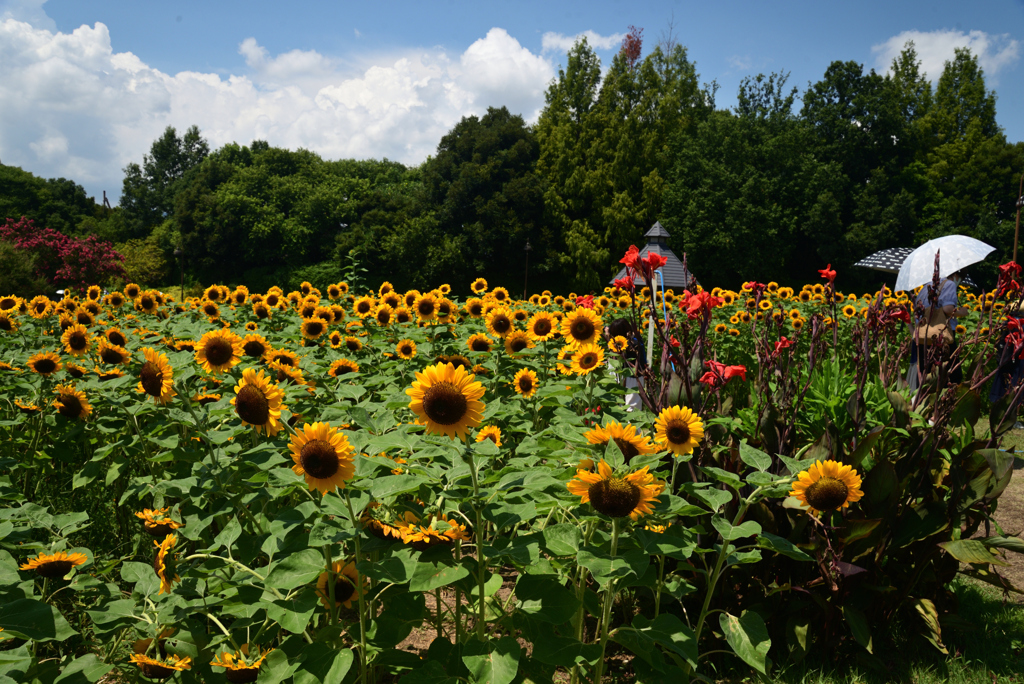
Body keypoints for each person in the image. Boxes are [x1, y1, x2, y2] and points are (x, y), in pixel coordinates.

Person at [908, 271, 970, 390]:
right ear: (955, 275)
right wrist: (962, 312)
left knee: (926, 377)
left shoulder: (925, 287)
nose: (959, 282)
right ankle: (943, 406)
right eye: (960, 279)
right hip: (941, 337)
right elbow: (948, 309)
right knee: (952, 376)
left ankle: (925, 406)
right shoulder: (949, 284)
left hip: (923, 338)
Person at [606, 318, 646, 412]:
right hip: (630, 376)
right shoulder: (636, 338)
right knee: (626, 405)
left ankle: (632, 426)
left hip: (633, 376)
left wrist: (610, 342)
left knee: (631, 407)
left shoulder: (631, 343)